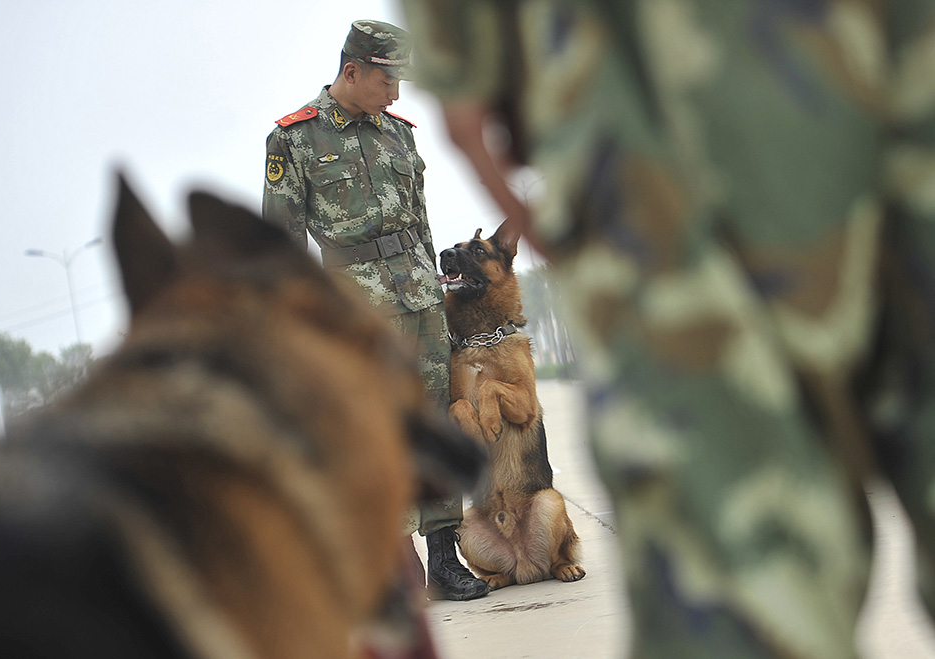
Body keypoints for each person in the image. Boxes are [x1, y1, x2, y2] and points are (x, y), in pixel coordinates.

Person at [402, 0, 935, 656]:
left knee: (726, 557)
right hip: (877, 71)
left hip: (641, 155)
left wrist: (461, 68)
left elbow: (465, 104)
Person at [261, 19, 490, 603]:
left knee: (434, 423)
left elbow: (420, 221)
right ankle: (398, 566)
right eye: (388, 82)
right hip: (358, 310)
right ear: (352, 71)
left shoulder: (399, 134)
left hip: (420, 300)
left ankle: (446, 560)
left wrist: (437, 289)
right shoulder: (294, 139)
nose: (396, 94)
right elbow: (279, 248)